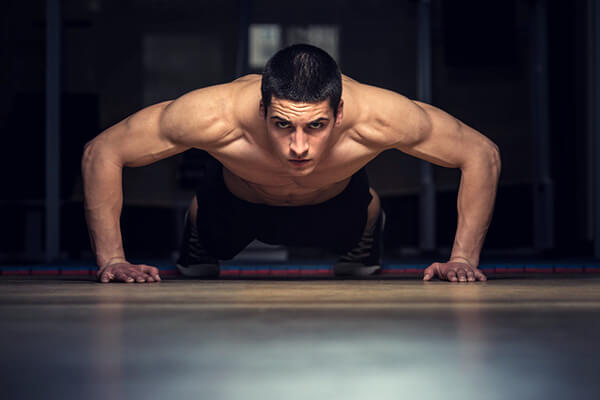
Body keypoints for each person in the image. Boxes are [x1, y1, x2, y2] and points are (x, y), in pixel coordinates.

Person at [82, 43, 500, 284]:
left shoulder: (381, 115)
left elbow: (480, 153)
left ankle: (371, 223)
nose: (298, 146)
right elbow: (103, 151)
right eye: (283, 124)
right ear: (263, 109)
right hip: (234, 205)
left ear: (339, 113)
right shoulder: (213, 114)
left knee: (358, 263)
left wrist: (462, 258)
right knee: (201, 265)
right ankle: (196, 225)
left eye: (316, 125)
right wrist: (112, 260)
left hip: (336, 208)